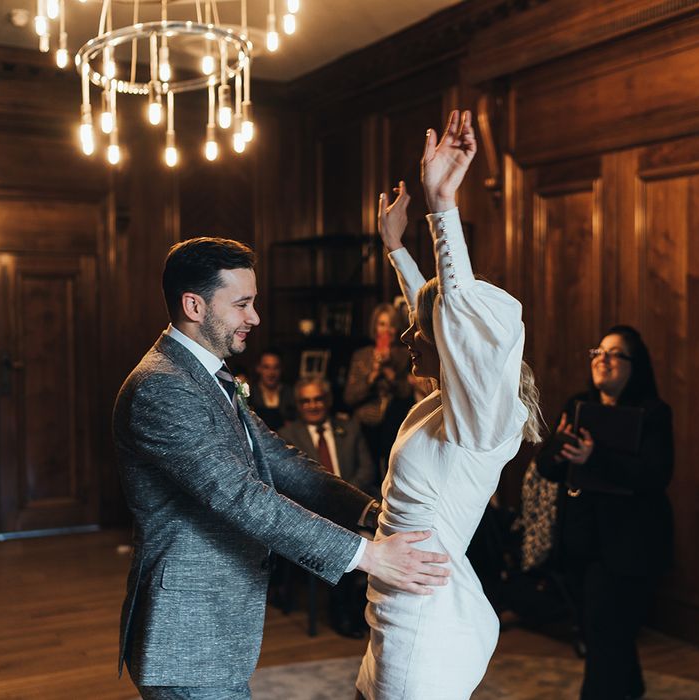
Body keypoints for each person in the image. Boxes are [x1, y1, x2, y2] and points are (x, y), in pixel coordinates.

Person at [112, 236, 451, 699]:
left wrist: (371, 512)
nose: (254, 317)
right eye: (242, 304)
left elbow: (279, 460)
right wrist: (367, 556)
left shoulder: (209, 374)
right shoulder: (161, 387)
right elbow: (239, 495)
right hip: (186, 629)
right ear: (194, 305)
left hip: (218, 624)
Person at [355, 110, 543, 699]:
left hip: (425, 620)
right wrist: (394, 247)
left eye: (422, 332)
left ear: (458, 350)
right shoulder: (448, 404)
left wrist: (443, 208)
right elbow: (430, 308)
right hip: (391, 605)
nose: (409, 336)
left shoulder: (482, 421)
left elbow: (452, 312)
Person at [536, 325, 674, 700]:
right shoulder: (578, 406)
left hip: (631, 547)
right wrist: (560, 450)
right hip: (581, 543)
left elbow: (655, 474)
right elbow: (546, 467)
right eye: (599, 351)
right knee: (604, 632)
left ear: (635, 365)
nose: (604, 359)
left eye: (615, 353)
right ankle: (631, 688)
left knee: (604, 633)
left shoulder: (653, 413)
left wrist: (595, 458)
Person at [280, 377, 378, 637]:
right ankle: (343, 614)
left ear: (328, 400)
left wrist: (343, 498)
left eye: (318, 399)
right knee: (340, 543)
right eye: (305, 401)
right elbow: (292, 483)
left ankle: (365, 609)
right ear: (298, 405)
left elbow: (367, 469)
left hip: (355, 510)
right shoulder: (287, 437)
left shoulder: (350, 427)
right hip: (316, 516)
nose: (313, 405)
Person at [344, 303, 412, 475]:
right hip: (365, 424)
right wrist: (372, 375)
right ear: (375, 326)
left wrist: (390, 372)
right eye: (382, 324)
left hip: (395, 423)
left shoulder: (404, 354)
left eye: (391, 325)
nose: (386, 330)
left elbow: (406, 393)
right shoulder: (362, 355)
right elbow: (350, 397)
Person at [247, 348, 296, 431]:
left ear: (281, 369)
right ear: (258, 368)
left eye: (276, 367)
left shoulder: (291, 393)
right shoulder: (250, 394)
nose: (271, 373)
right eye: (266, 367)